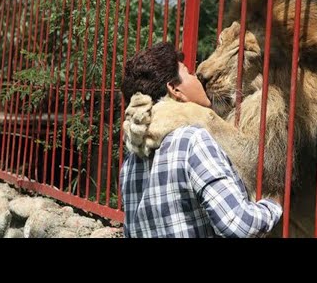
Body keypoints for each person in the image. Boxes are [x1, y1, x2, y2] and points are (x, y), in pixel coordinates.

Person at [119, 42, 283, 238]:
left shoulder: (130, 162)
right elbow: (238, 225)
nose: (199, 76)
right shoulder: (193, 141)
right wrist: (273, 205)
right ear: (175, 89)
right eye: (189, 74)